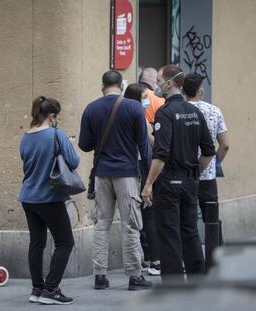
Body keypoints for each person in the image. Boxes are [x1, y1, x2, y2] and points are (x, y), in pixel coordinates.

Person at [141, 65, 216, 284]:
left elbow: (161, 153)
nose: (157, 84)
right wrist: (196, 171)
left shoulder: (165, 112)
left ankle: (174, 287)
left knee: (169, 234)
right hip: (191, 181)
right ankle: (197, 281)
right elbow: (209, 150)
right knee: (190, 231)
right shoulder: (195, 111)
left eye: (159, 80)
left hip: (170, 182)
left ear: (170, 83)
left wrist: (148, 185)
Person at [79, 70, 153, 291]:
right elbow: (144, 145)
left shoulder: (91, 108)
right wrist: (149, 181)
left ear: (102, 86)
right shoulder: (133, 108)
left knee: (101, 224)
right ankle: (134, 275)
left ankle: (99, 275)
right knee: (131, 225)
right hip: (127, 173)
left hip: (102, 173)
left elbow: (85, 145)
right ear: (121, 85)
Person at [19, 96, 78, 305]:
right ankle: (51, 289)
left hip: (28, 197)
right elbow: (73, 161)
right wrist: (71, 145)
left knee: (37, 242)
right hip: (49, 198)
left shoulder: (26, 136)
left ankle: (37, 288)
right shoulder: (56, 134)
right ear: (52, 116)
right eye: (56, 116)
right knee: (65, 242)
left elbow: (27, 162)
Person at [183, 73, 229, 245]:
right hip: (207, 176)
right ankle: (217, 256)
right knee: (211, 219)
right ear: (200, 91)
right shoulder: (214, 111)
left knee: (186, 221)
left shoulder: (177, 110)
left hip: (184, 175)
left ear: (183, 90)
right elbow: (224, 145)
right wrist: (214, 164)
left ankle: (189, 259)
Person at [124, 83, 161, 276]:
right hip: (141, 169)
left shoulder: (125, 117)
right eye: (145, 96)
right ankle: (155, 260)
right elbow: (153, 146)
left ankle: (145, 258)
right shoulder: (140, 119)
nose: (148, 100)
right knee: (148, 215)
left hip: (128, 170)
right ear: (137, 99)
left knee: (135, 216)